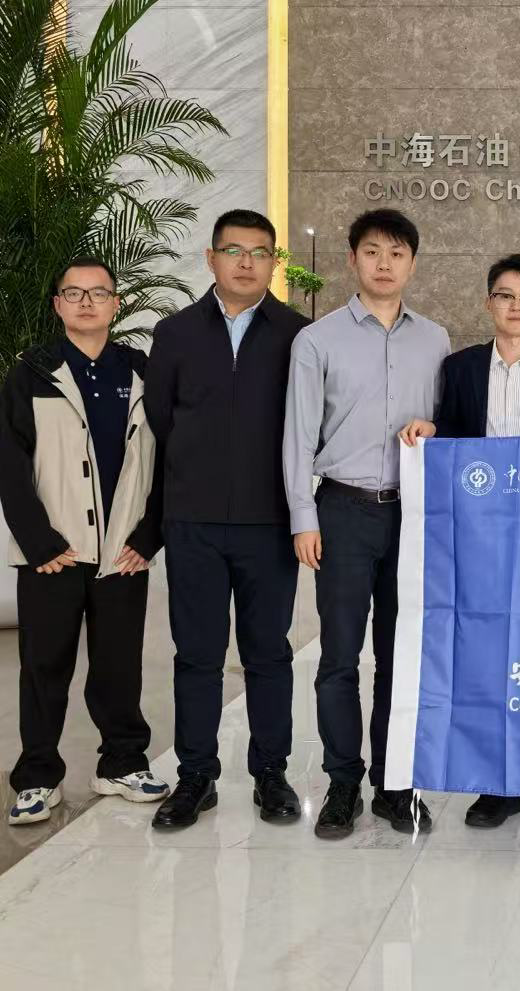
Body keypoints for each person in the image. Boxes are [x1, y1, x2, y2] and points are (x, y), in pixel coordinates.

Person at [399, 252, 520, 830]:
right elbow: (451, 435)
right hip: (478, 536)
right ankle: (495, 785)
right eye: (505, 295)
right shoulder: (459, 369)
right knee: (486, 654)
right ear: (489, 303)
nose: (516, 306)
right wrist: (431, 431)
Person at [285, 208, 450, 839]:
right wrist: (304, 517)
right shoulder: (317, 341)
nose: (385, 264)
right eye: (373, 252)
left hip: (412, 515)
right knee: (339, 657)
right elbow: (298, 436)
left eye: (397, 253)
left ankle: (394, 784)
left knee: (399, 657)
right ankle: (342, 783)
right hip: (343, 511)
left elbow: (447, 422)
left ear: (413, 263)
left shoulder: (434, 339)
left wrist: (434, 428)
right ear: (352, 259)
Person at [145, 210, 311, 831]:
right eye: (234, 250)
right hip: (193, 521)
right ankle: (196, 776)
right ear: (210, 258)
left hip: (269, 523)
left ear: (274, 262)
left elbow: (307, 427)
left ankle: (271, 773)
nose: (246, 262)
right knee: (197, 655)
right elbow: (161, 423)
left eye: (259, 252)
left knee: (268, 653)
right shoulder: (176, 333)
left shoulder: (299, 335)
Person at [0, 258, 168, 825]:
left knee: (119, 666)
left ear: (116, 303)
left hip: (123, 551)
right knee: (43, 667)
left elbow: (171, 460)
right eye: (74, 293)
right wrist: (38, 542)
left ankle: (122, 763)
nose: (87, 302)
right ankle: (37, 777)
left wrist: (150, 535)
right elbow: (10, 462)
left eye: (98, 293)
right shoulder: (32, 373)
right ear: (57, 305)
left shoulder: (143, 373)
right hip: (54, 554)